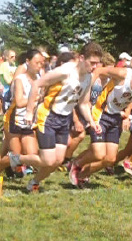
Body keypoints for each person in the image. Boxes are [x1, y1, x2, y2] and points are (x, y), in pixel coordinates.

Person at [8, 42, 103, 192]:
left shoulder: (89, 77)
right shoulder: (65, 71)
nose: (94, 67)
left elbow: (84, 103)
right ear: (81, 58)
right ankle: (17, 158)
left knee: (57, 160)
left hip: (64, 119)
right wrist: (29, 110)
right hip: (48, 116)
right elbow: (37, 84)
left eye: (97, 64)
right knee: (48, 159)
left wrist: (92, 122)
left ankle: (34, 182)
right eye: (92, 63)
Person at [69, 53, 132, 187]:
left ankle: (82, 175)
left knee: (110, 159)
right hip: (101, 113)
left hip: (116, 117)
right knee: (99, 153)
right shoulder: (124, 74)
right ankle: (76, 164)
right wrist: (87, 96)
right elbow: (99, 71)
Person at [4, 49, 44, 176]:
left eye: (42, 63)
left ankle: (11, 163)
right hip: (13, 120)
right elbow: (20, 102)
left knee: (33, 156)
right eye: (37, 63)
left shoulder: (39, 78)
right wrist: (36, 97)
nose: (39, 66)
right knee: (16, 156)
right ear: (28, 62)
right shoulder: (19, 79)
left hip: (28, 122)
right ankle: (7, 165)